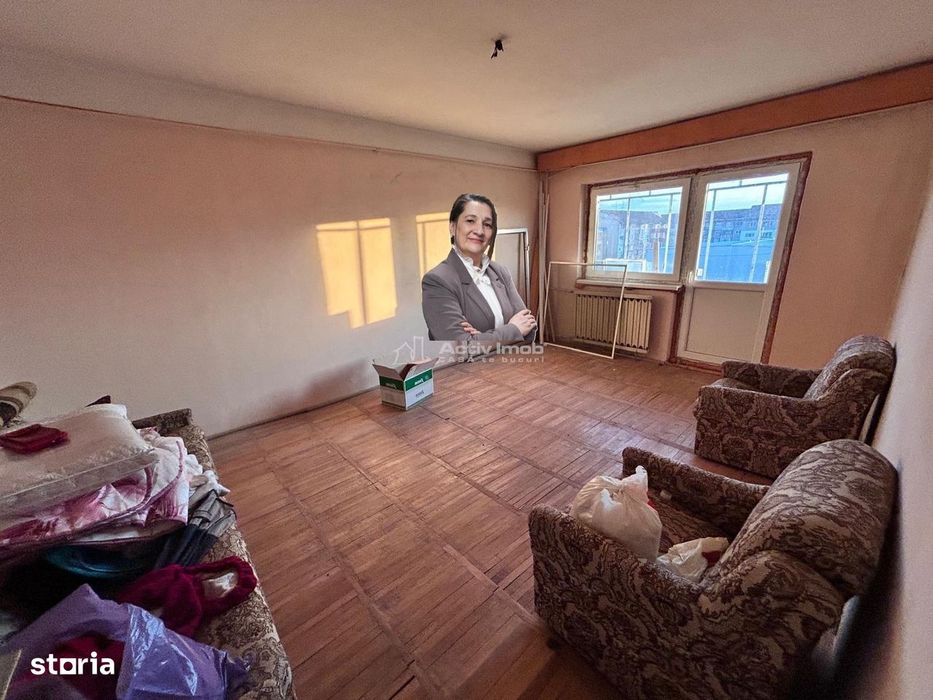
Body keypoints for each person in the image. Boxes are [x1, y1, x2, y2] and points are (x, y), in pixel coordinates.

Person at [422, 193, 537, 346]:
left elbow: (529, 329)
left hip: (513, 360)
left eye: (487, 225)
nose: (480, 231)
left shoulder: (500, 271)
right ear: (453, 227)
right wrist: (513, 329)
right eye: (470, 221)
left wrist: (481, 338)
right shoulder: (438, 280)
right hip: (473, 365)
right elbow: (462, 348)